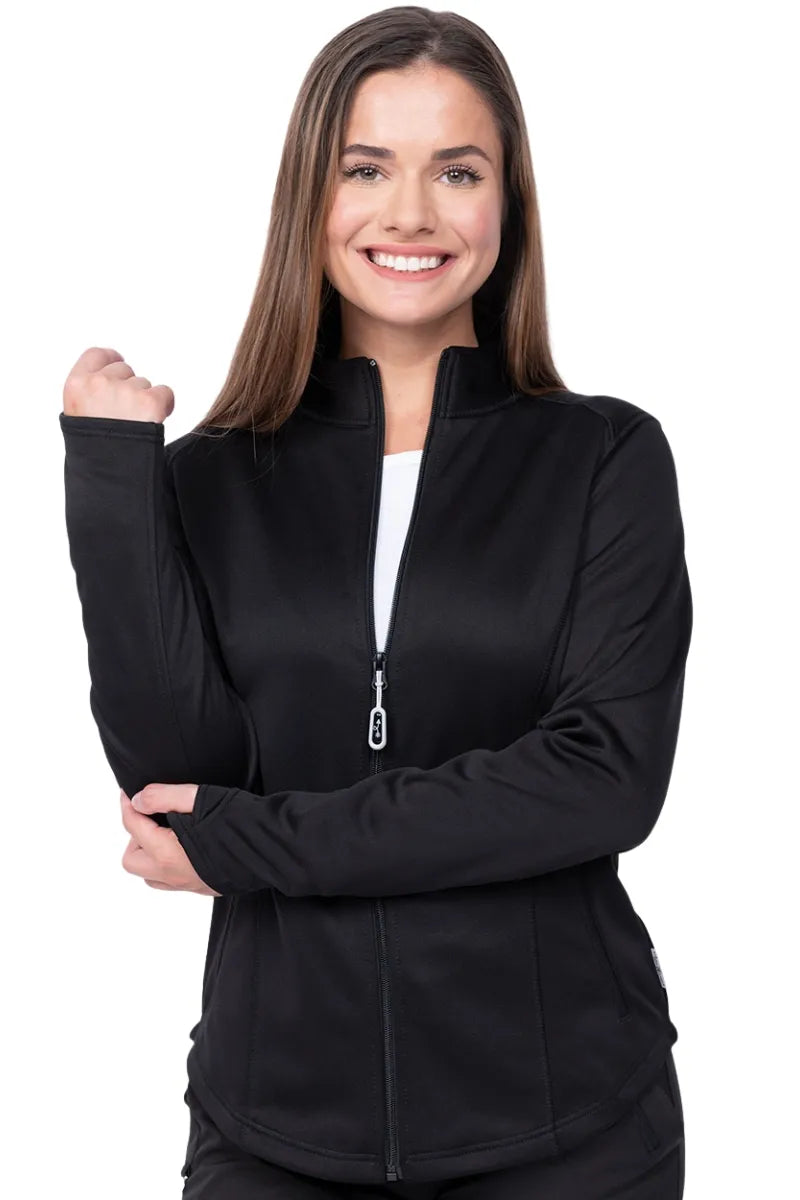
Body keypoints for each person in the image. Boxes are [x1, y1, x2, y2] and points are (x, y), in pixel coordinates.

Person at [58, 6, 692, 1198]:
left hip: (568, 1127)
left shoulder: (602, 457)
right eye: (366, 168)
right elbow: (171, 779)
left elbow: (600, 779)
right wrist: (111, 481)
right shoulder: (206, 477)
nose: (410, 213)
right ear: (312, 192)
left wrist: (256, 842)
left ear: (506, 204)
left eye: (456, 170)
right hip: (272, 1130)